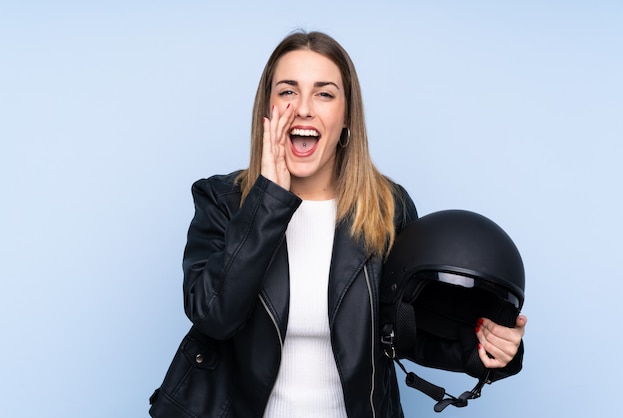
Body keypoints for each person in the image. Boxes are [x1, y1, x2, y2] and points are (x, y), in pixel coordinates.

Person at [149, 30, 527, 418]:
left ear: (346, 116)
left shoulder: (387, 208)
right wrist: (269, 200)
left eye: (324, 93)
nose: (304, 109)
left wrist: (487, 349)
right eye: (288, 91)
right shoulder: (223, 200)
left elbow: (407, 331)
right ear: (268, 109)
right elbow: (214, 315)